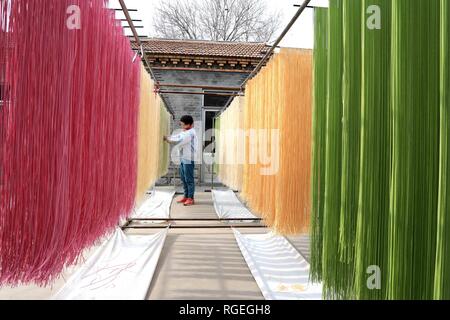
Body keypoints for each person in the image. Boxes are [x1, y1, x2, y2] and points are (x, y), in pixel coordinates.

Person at [164, 115, 198, 206]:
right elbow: (177, 136)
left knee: (189, 179)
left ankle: (190, 198)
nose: (181, 126)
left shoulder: (190, 133)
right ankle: (186, 196)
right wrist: (169, 137)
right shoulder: (186, 131)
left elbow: (179, 140)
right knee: (183, 178)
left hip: (188, 158)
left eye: (183, 125)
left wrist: (168, 140)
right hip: (183, 158)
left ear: (189, 125)